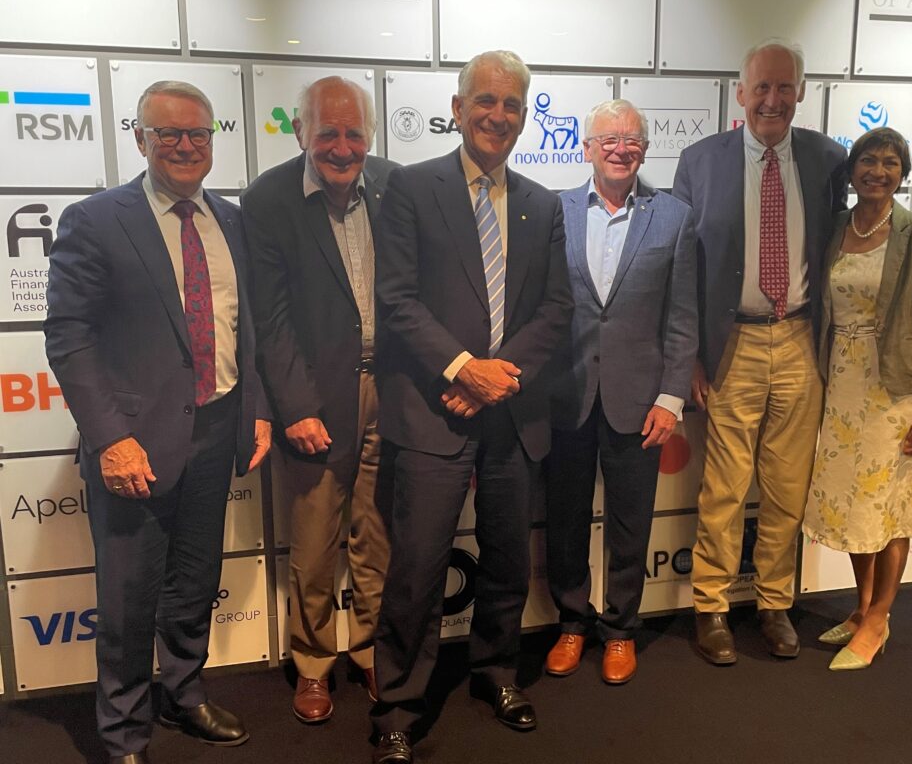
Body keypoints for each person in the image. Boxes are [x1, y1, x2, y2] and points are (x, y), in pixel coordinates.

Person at [672, 38, 912, 666]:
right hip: (732, 344)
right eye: (761, 87)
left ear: (800, 93)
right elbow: (683, 265)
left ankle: (774, 603)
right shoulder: (699, 160)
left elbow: (872, 224)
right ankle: (711, 607)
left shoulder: (828, 158)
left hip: (804, 340)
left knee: (786, 488)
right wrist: (689, 355)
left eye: (784, 88)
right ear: (741, 93)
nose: (772, 100)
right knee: (723, 488)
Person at [44, 80, 271, 764]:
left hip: (217, 428)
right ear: (140, 138)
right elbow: (69, 338)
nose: (184, 145)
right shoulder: (95, 220)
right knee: (127, 594)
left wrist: (256, 411)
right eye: (167, 133)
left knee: (196, 579)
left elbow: (246, 330)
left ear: (213, 140)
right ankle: (122, 729)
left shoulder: (232, 221)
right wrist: (112, 438)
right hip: (134, 443)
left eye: (197, 133)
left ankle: (185, 691)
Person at [370, 50, 573, 764]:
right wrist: (462, 369)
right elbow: (396, 299)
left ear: (524, 116)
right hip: (433, 410)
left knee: (509, 558)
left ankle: (496, 672)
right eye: (485, 100)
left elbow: (556, 308)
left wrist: (499, 377)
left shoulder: (543, 203)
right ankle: (398, 705)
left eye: (512, 103)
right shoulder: (410, 187)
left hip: (513, 411)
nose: (498, 114)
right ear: (458, 109)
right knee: (418, 568)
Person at [242, 76, 395, 722]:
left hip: (392, 390)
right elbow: (269, 319)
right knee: (312, 544)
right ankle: (312, 664)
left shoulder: (394, 186)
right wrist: (295, 406)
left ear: (371, 136)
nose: (342, 146)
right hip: (314, 397)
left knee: (378, 536)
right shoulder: (268, 199)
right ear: (300, 131)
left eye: (354, 133)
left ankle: (373, 648)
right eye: (327, 132)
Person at [543, 99, 697, 685]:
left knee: (632, 523)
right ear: (586, 147)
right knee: (565, 520)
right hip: (566, 396)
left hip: (642, 402)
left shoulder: (675, 217)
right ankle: (572, 623)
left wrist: (671, 397)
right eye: (608, 138)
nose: (620, 148)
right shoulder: (554, 211)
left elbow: (682, 318)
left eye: (631, 139)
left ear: (645, 149)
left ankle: (620, 631)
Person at [804, 127, 912, 671]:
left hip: (897, 392)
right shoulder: (834, 227)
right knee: (854, 505)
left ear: (903, 174)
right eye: (868, 160)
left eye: (891, 163)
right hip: (841, 385)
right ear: (852, 170)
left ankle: (879, 618)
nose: (878, 171)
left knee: (889, 508)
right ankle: (861, 607)